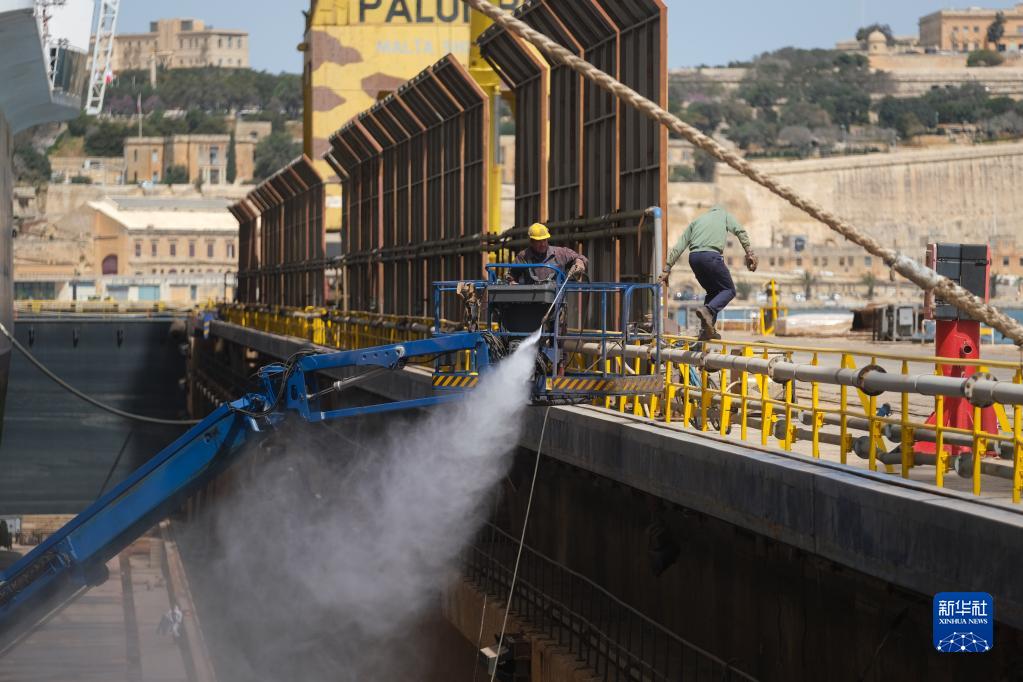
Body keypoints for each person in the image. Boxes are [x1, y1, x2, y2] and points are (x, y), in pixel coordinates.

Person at [658, 206, 758, 340]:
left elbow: (680, 245)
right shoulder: (724, 215)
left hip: (694, 259)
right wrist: (749, 252)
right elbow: (739, 230)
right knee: (729, 290)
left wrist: (667, 268)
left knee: (713, 292)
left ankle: (706, 331)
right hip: (711, 257)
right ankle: (708, 310)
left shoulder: (697, 221)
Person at [508, 223, 588, 284]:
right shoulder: (523, 256)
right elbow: (511, 276)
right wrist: (512, 282)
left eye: (544, 240)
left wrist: (579, 263)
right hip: (531, 299)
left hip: (556, 298)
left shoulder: (560, 253)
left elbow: (580, 257)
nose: (542, 244)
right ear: (531, 242)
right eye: (538, 241)